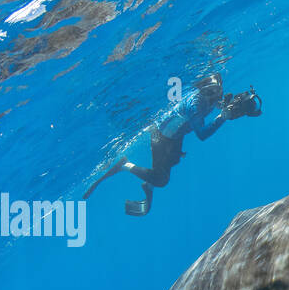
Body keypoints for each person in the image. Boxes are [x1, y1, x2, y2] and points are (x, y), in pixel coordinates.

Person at [84, 74, 262, 216]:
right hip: (162, 136)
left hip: (175, 137)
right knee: (162, 179)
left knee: (167, 168)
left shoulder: (212, 96)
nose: (218, 95)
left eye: (219, 91)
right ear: (205, 90)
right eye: (214, 92)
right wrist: (222, 118)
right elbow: (202, 134)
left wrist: (234, 104)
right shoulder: (195, 103)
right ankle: (124, 165)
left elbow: (219, 105)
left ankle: (148, 184)